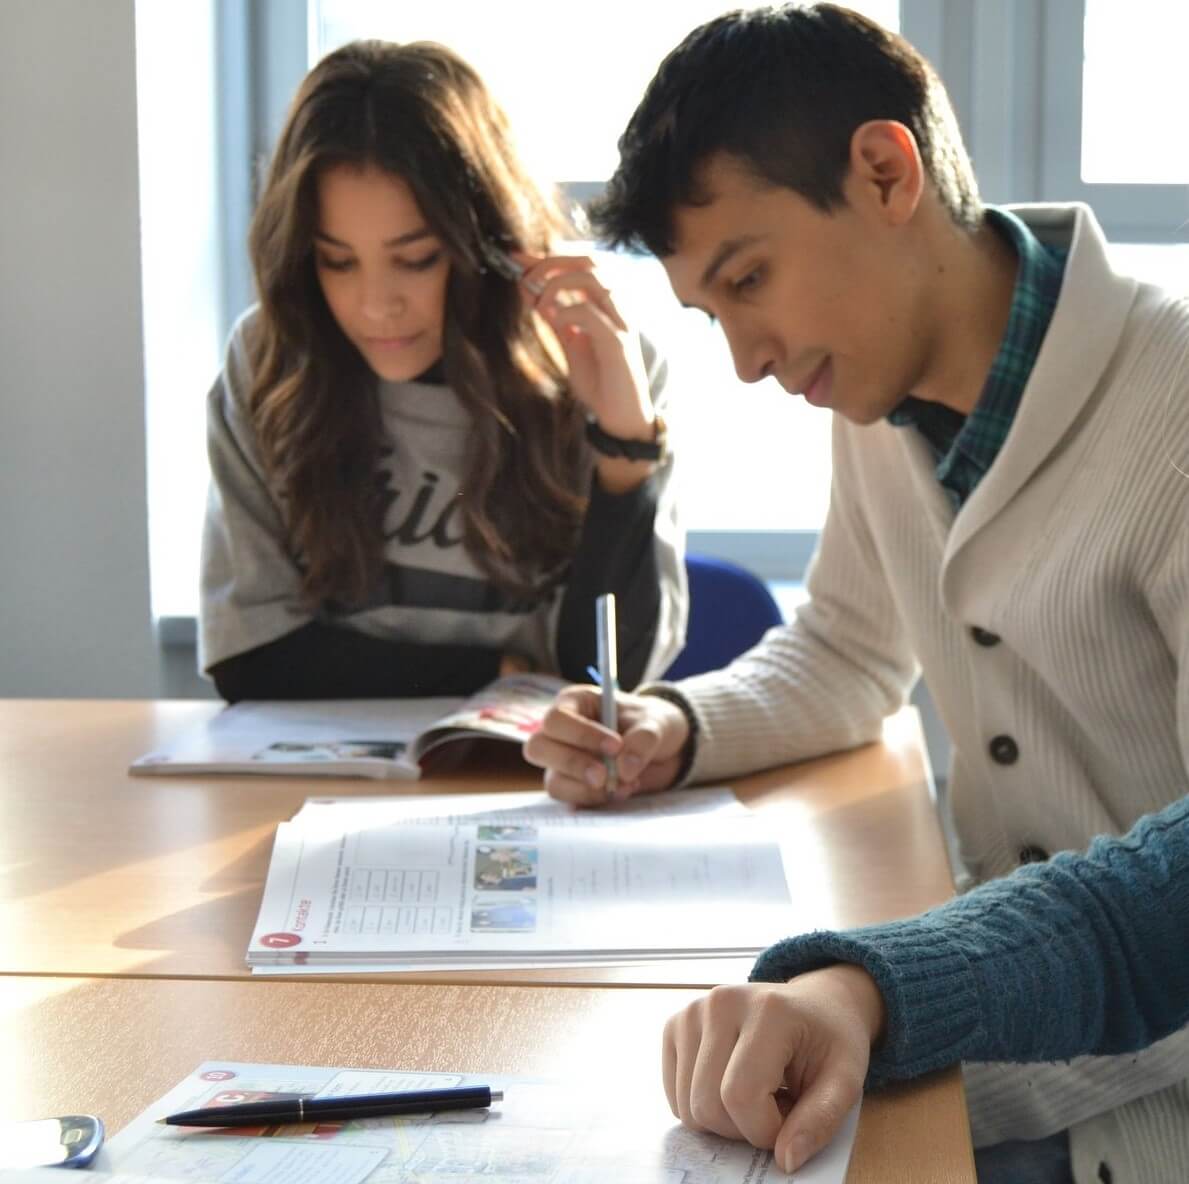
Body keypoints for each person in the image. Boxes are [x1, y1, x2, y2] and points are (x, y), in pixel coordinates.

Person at [521, 6, 1189, 1182]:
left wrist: (884, 987)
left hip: (1133, 1089)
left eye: (750, 278)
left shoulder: (1170, 403)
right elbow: (843, 650)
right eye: (711, 315)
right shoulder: (878, 401)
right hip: (996, 1031)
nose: (745, 358)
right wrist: (676, 730)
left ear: (886, 172)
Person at [199, 40, 686, 702]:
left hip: (533, 785)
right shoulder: (269, 361)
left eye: (417, 258)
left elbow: (607, 678)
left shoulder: (595, 366)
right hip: (317, 784)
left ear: (484, 246)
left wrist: (625, 447)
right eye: (337, 262)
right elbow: (251, 659)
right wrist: (496, 675)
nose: (376, 305)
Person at [662, 794, 1189, 1177]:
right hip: (991, 1024)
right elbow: (850, 653)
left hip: (1117, 1105)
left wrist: (868, 986)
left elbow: (1133, 932)